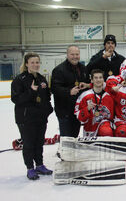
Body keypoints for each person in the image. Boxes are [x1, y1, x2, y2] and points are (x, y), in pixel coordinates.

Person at [11, 52, 53, 180]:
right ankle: (30, 168)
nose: (35, 65)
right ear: (27, 64)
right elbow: (16, 99)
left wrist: (48, 109)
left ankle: (39, 165)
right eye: (32, 62)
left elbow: (46, 96)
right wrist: (31, 91)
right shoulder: (19, 80)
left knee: (39, 142)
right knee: (29, 143)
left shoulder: (41, 78)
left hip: (40, 117)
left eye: (37, 62)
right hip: (26, 118)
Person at [51, 45, 90, 137]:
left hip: (77, 109)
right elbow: (54, 88)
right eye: (72, 54)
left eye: (77, 54)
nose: (75, 56)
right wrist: (69, 91)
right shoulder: (59, 70)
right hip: (64, 111)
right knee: (66, 138)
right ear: (67, 55)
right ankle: (64, 151)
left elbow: (88, 84)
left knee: (75, 136)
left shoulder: (83, 68)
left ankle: (73, 151)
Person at [74, 69, 114, 137]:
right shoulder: (84, 96)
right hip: (89, 130)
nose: (98, 80)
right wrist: (87, 109)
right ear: (91, 80)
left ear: (103, 80)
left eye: (100, 77)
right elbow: (79, 117)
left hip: (105, 128)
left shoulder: (109, 97)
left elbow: (112, 117)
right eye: (95, 78)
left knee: (106, 131)